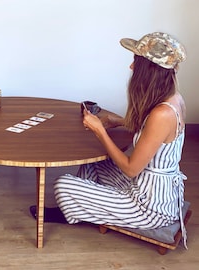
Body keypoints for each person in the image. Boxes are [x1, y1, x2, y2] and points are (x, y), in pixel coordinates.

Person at [29, 32, 188, 245]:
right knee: (95, 164)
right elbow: (154, 136)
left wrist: (100, 131)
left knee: (62, 183)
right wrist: (119, 121)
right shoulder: (173, 98)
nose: (131, 67)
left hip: (150, 207)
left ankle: (76, 208)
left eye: (136, 62)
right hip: (147, 186)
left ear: (149, 70)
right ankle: (83, 205)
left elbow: (131, 168)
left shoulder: (162, 114)